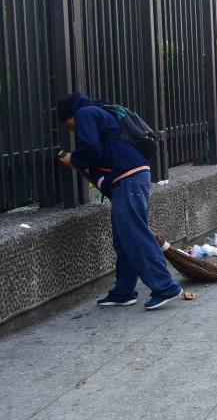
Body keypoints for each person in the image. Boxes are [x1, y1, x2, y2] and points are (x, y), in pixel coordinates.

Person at [56, 93, 184, 310]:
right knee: (124, 238)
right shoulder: (100, 110)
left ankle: (165, 287)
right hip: (132, 175)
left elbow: (91, 148)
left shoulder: (84, 113)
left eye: (66, 124)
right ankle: (123, 292)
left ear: (69, 115)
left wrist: (73, 159)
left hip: (127, 178)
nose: (69, 129)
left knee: (134, 235)